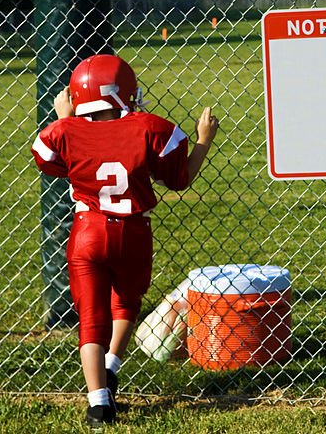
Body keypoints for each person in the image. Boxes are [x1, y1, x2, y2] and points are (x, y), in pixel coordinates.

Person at [31, 54, 219, 427]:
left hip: (87, 232)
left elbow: (51, 158)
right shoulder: (150, 127)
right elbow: (179, 179)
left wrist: (65, 120)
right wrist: (203, 141)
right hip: (134, 231)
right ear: (126, 92)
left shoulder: (64, 132)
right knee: (127, 302)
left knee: (90, 318)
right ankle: (112, 365)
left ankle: (99, 402)